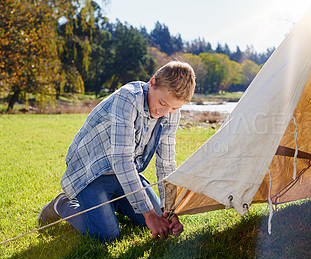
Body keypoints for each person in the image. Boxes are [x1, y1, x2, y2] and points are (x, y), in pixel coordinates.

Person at [38, 61, 196, 241]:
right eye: (162, 103)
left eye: (174, 108)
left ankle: (109, 205)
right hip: (92, 173)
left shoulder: (170, 114)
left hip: (124, 176)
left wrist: (169, 211)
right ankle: (63, 203)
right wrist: (149, 214)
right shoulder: (127, 98)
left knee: (158, 218)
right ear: (152, 83)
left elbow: (166, 164)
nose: (165, 112)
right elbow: (122, 160)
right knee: (106, 234)